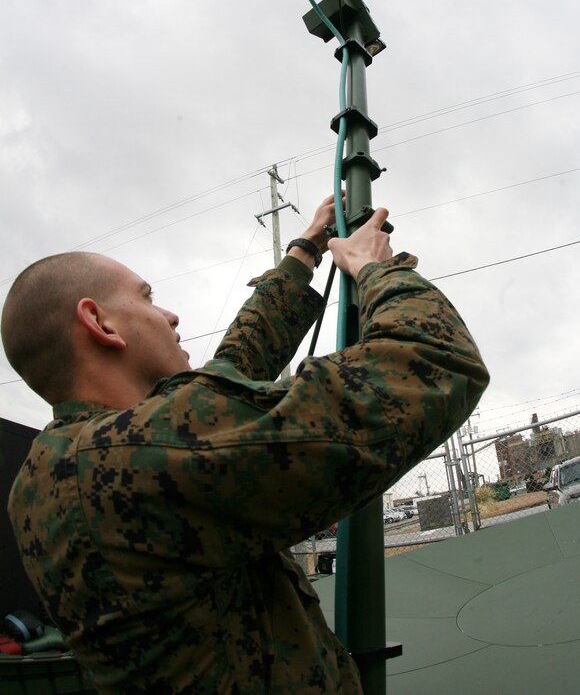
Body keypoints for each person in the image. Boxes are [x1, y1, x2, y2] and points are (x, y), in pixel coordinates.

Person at [3, 195, 489, 694]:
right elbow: (433, 363)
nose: (170, 315)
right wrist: (375, 268)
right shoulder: (129, 454)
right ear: (99, 322)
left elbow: (227, 374)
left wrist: (304, 251)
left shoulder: (59, 466)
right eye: (147, 298)